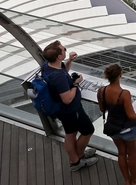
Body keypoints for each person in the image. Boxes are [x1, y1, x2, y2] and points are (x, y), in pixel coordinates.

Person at [42, 41, 98, 172]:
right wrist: (76, 84)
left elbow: (63, 70)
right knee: (88, 130)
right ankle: (78, 157)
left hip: (61, 109)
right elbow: (67, 99)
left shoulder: (48, 66)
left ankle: (76, 160)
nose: (65, 51)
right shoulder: (59, 78)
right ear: (59, 57)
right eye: (64, 50)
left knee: (70, 133)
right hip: (71, 110)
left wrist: (69, 61)